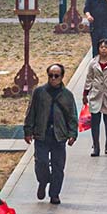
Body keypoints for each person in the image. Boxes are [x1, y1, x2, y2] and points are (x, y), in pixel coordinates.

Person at [24, 63, 77, 204]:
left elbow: (72, 116)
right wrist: (28, 130)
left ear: (62, 77)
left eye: (56, 76)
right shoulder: (39, 92)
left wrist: (73, 134)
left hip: (59, 136)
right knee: (41, 162)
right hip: (42, 134)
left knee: (58, 166)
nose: (53, 78)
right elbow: (31, 112)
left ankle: (54, 193)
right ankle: (43, 181)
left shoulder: (67, 95)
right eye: (50, 76)